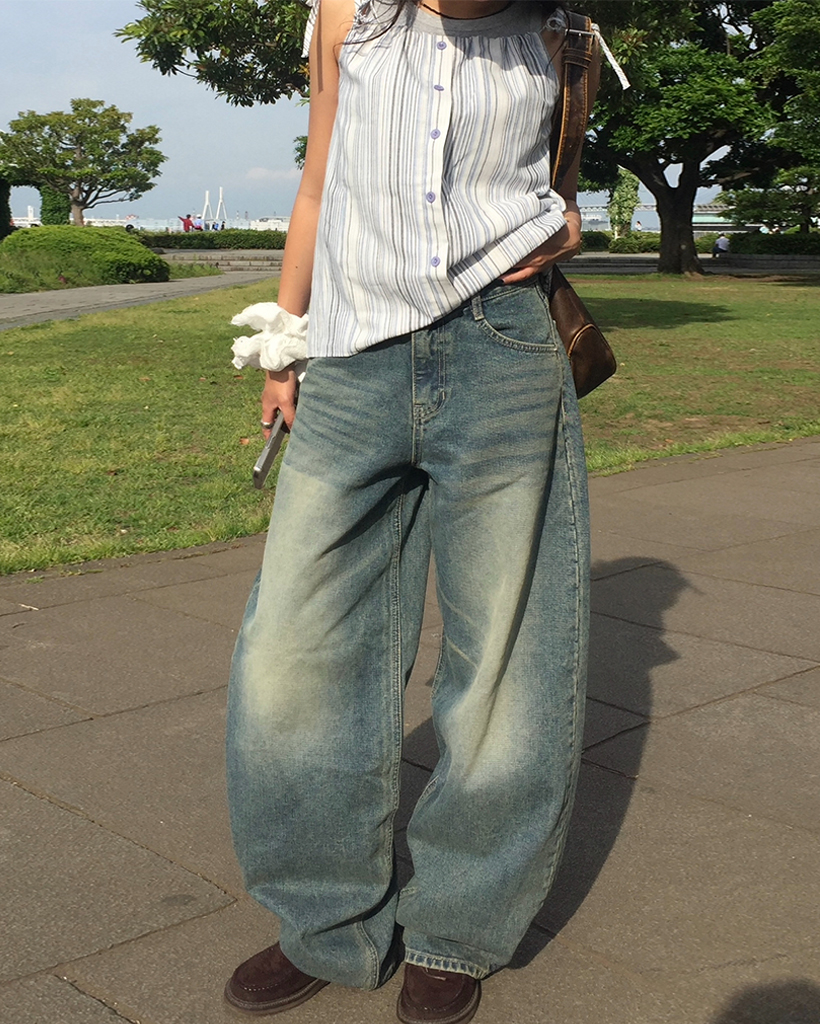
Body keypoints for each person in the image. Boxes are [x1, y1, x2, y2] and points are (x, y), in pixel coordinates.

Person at [225, 2, 600, 1022]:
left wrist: (569, 223)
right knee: (294, 648)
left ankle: (458, 925)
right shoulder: (346, 12)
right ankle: (324, 918)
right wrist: (284, 343)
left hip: (504, 353)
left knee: (510, 656)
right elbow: (318, 182)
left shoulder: (560, 30)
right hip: (350, 357)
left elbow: (557, 193)